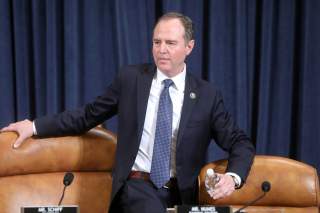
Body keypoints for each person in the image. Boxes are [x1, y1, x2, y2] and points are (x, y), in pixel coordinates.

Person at [1, 12, 255, 213]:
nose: (161, 49)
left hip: (184, 195)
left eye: (170, 43)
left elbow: (239, 141)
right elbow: (87, 116)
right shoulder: (132, 79)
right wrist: (34, 126)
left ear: (189, 47)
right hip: (137, 186)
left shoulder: (206, 95)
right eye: (157, 42)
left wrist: (232, 178)